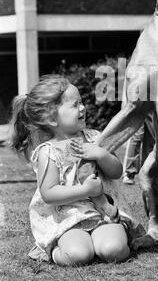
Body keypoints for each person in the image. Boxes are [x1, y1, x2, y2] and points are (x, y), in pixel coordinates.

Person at [10, 74, 132, 266]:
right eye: (75, 105)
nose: (83, 108)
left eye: (82, 102)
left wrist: (100, 154)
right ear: (51, 118)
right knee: (78, 255)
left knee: (113, 250)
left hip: (103, 214)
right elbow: (49, 193)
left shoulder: (95, 138)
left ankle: (117, 236)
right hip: (68, 218)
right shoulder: (49, 152)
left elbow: (116, 171)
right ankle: (52, 251)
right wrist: (85, 191)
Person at [122, 113, 155, 185]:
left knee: (151, 138)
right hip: (139, 105)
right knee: (137, 135)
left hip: (153, 106)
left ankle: (146, 172)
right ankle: (129, 172)